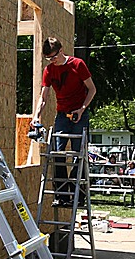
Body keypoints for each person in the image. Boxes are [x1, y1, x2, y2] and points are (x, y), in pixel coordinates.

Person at [32, 37, 96, 206]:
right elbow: (43, 97)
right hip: (62, 115)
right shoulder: (49, 70)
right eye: (48, 59)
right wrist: (36, 115)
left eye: (53, 57)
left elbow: (92, 89)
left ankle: (78, 196)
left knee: (78, 155)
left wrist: (82, 109)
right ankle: (61, 195)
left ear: (61, 51)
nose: (52, 61)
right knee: (57, 154)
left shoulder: (77, 64)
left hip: (79, 115)